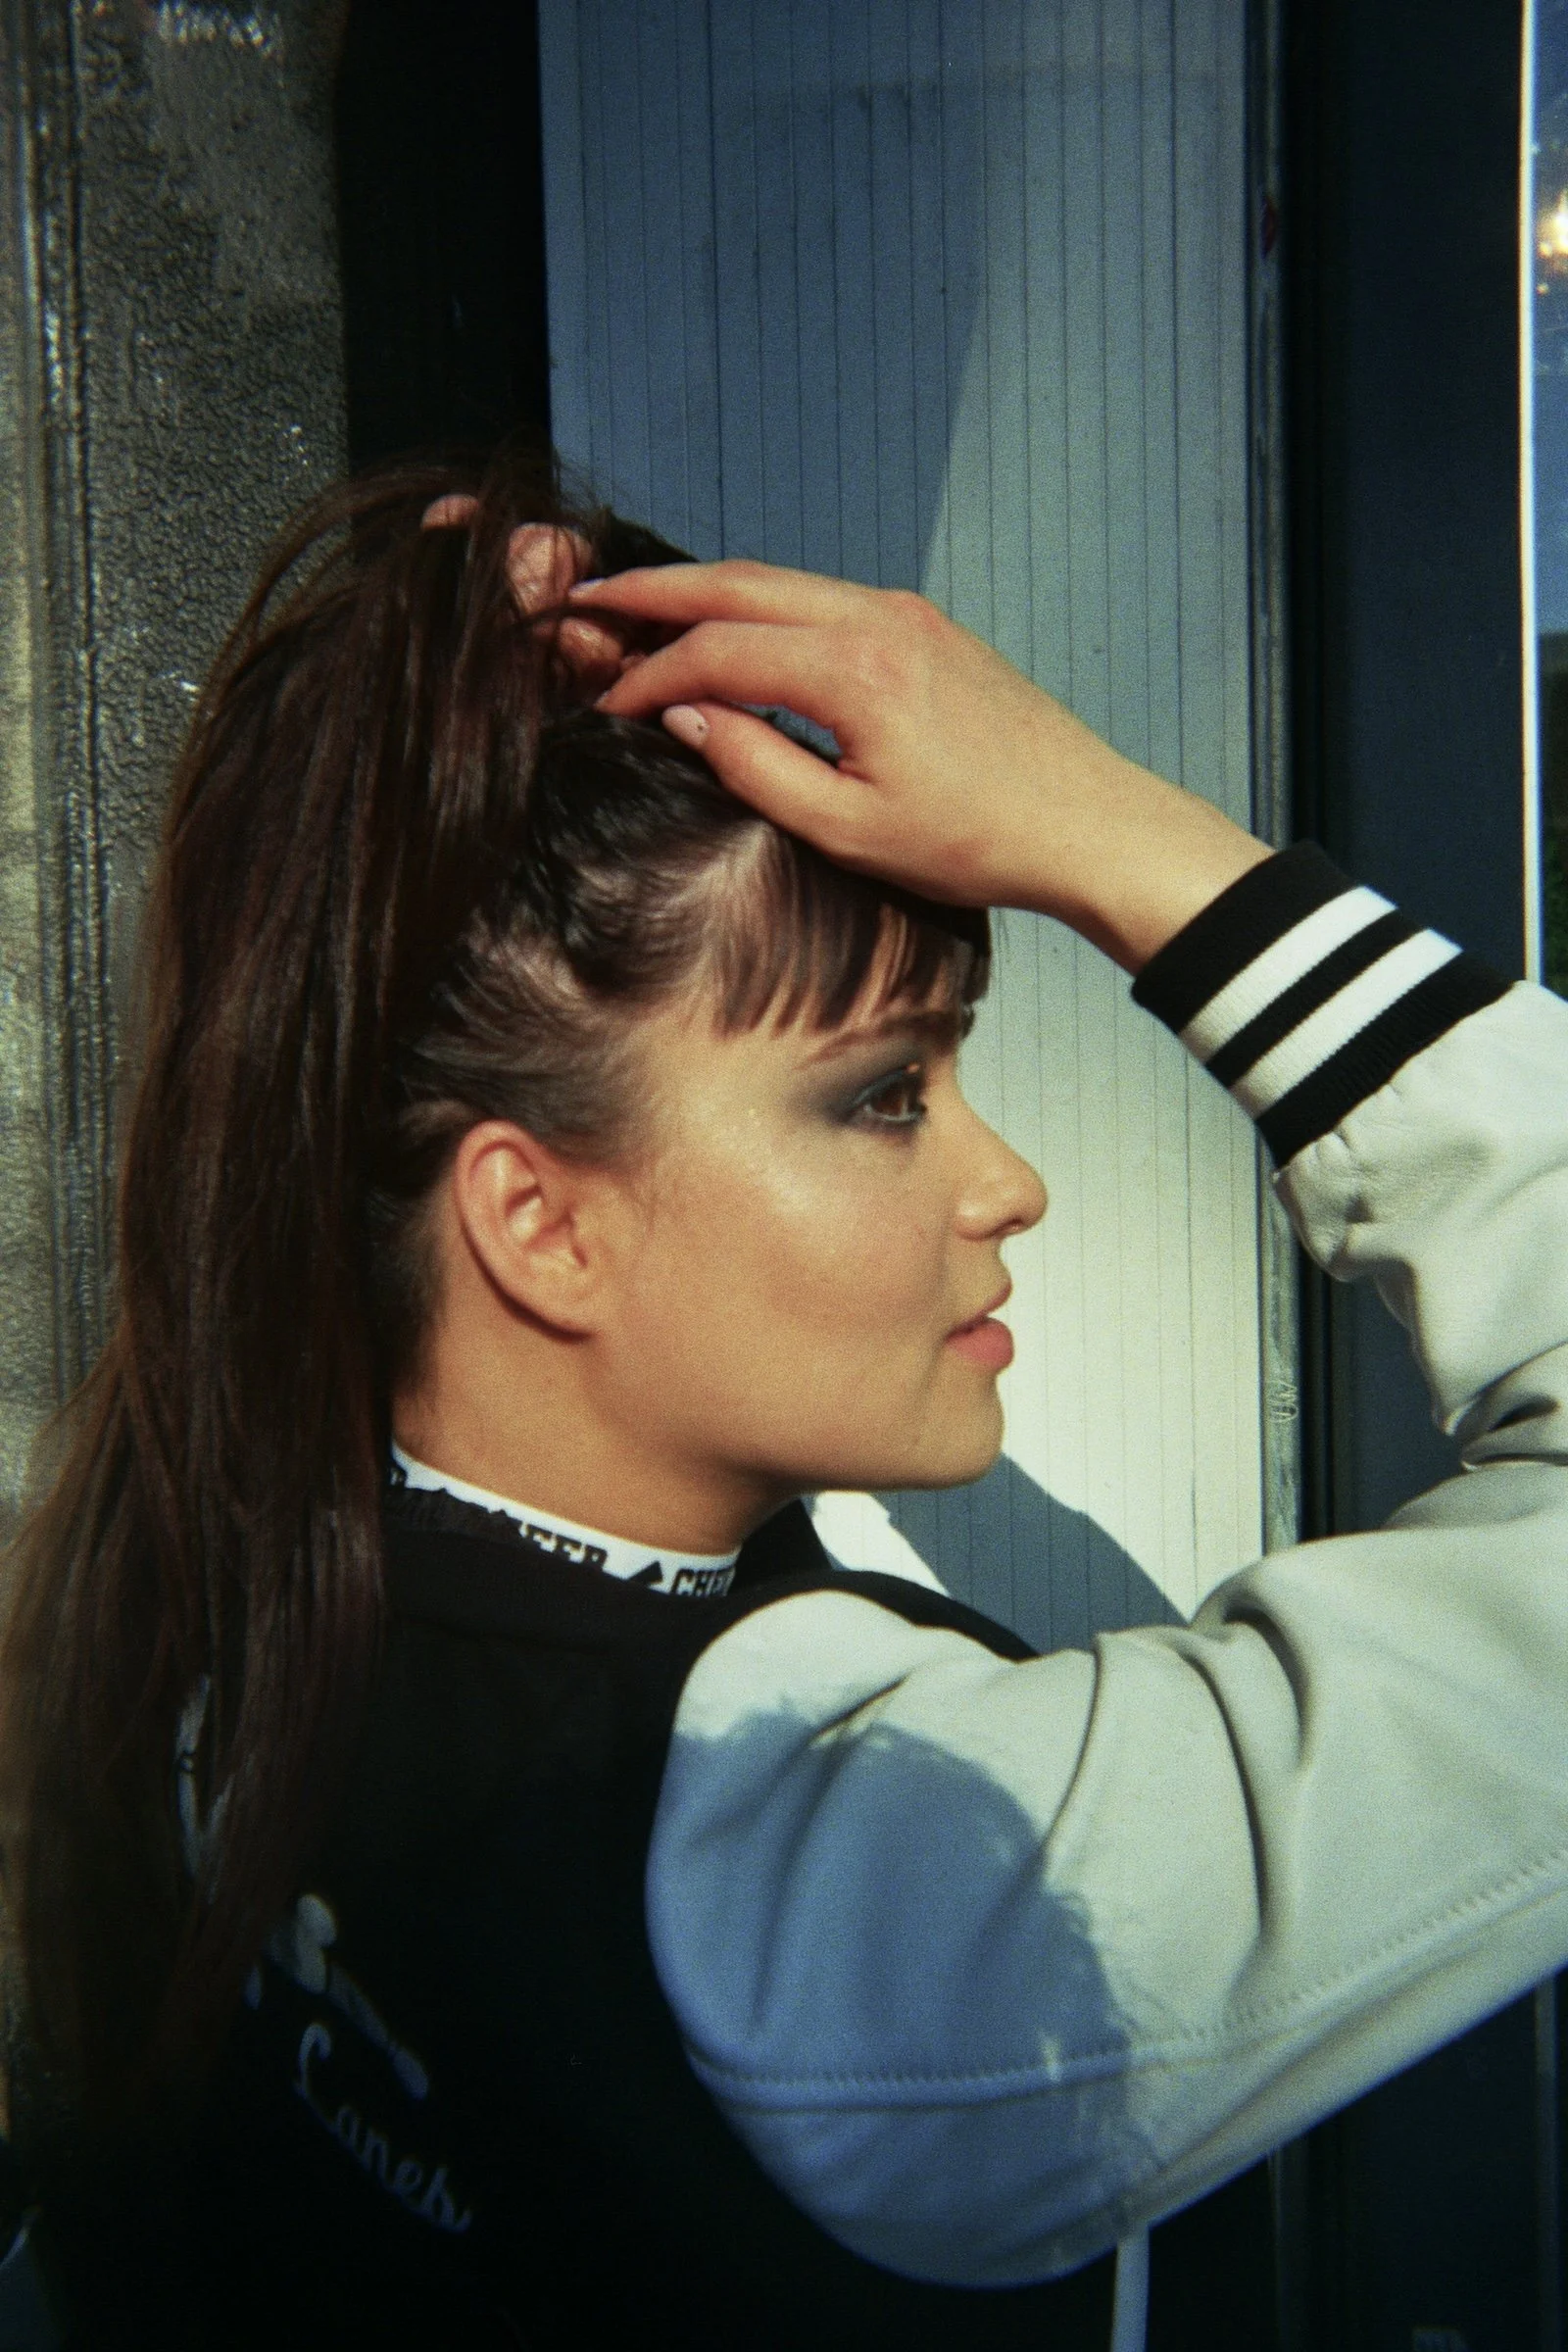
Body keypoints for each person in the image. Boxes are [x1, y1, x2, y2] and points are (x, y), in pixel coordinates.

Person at [0, 442, 1564, 2350]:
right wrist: (1115, 838)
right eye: (885, 1094)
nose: (1007, 1184)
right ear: (538, 1225)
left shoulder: (215, 1590)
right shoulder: (883, 1903)